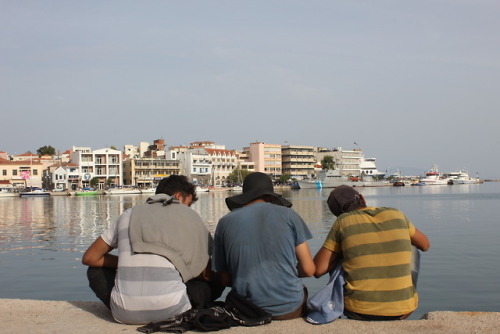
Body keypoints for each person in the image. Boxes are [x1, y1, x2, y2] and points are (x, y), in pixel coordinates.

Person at [82, 175, 221, 325]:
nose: (187, 209)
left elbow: (90, 258)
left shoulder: (128, 214)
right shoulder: (190, 217)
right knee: (218, 277)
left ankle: (127, 303)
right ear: (178, 197)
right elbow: (206, 274)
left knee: (95, 271)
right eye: (187, 204)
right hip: (174, 310)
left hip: (124, 313)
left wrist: (126, 262)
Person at [313, 185, 430, 321]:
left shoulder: (343, 222)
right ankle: (403, 296)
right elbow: (425, 245)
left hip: (357, 310)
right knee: (413, 247)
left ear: (337, 214)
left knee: (340, 252)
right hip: (403, 310)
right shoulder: (396, 214)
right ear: (362, 198)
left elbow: (318, 270)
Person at [212, 172, 315, 320]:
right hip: (288, 308)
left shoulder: (224, 222)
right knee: (302, 292)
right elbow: (309, 269)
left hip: (246, 309)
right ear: (271, 197)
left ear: (244, 197)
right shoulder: (289, 215)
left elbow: (223, 278)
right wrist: (284, 270)